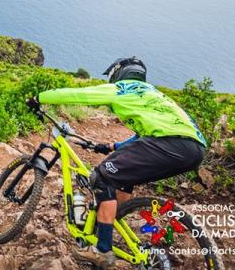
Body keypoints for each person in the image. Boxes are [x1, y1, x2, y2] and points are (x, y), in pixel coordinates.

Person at [34, 57, 207, 269]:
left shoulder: (122, 88)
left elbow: (79, 94)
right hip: (194, 149)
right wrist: (112, 146)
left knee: (101, 177)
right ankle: (105, 223)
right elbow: (145, 134)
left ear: (118, 74)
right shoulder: (155, 94)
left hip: (167, 142)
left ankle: (102, 249)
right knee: (121, 178)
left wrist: (39, 97)